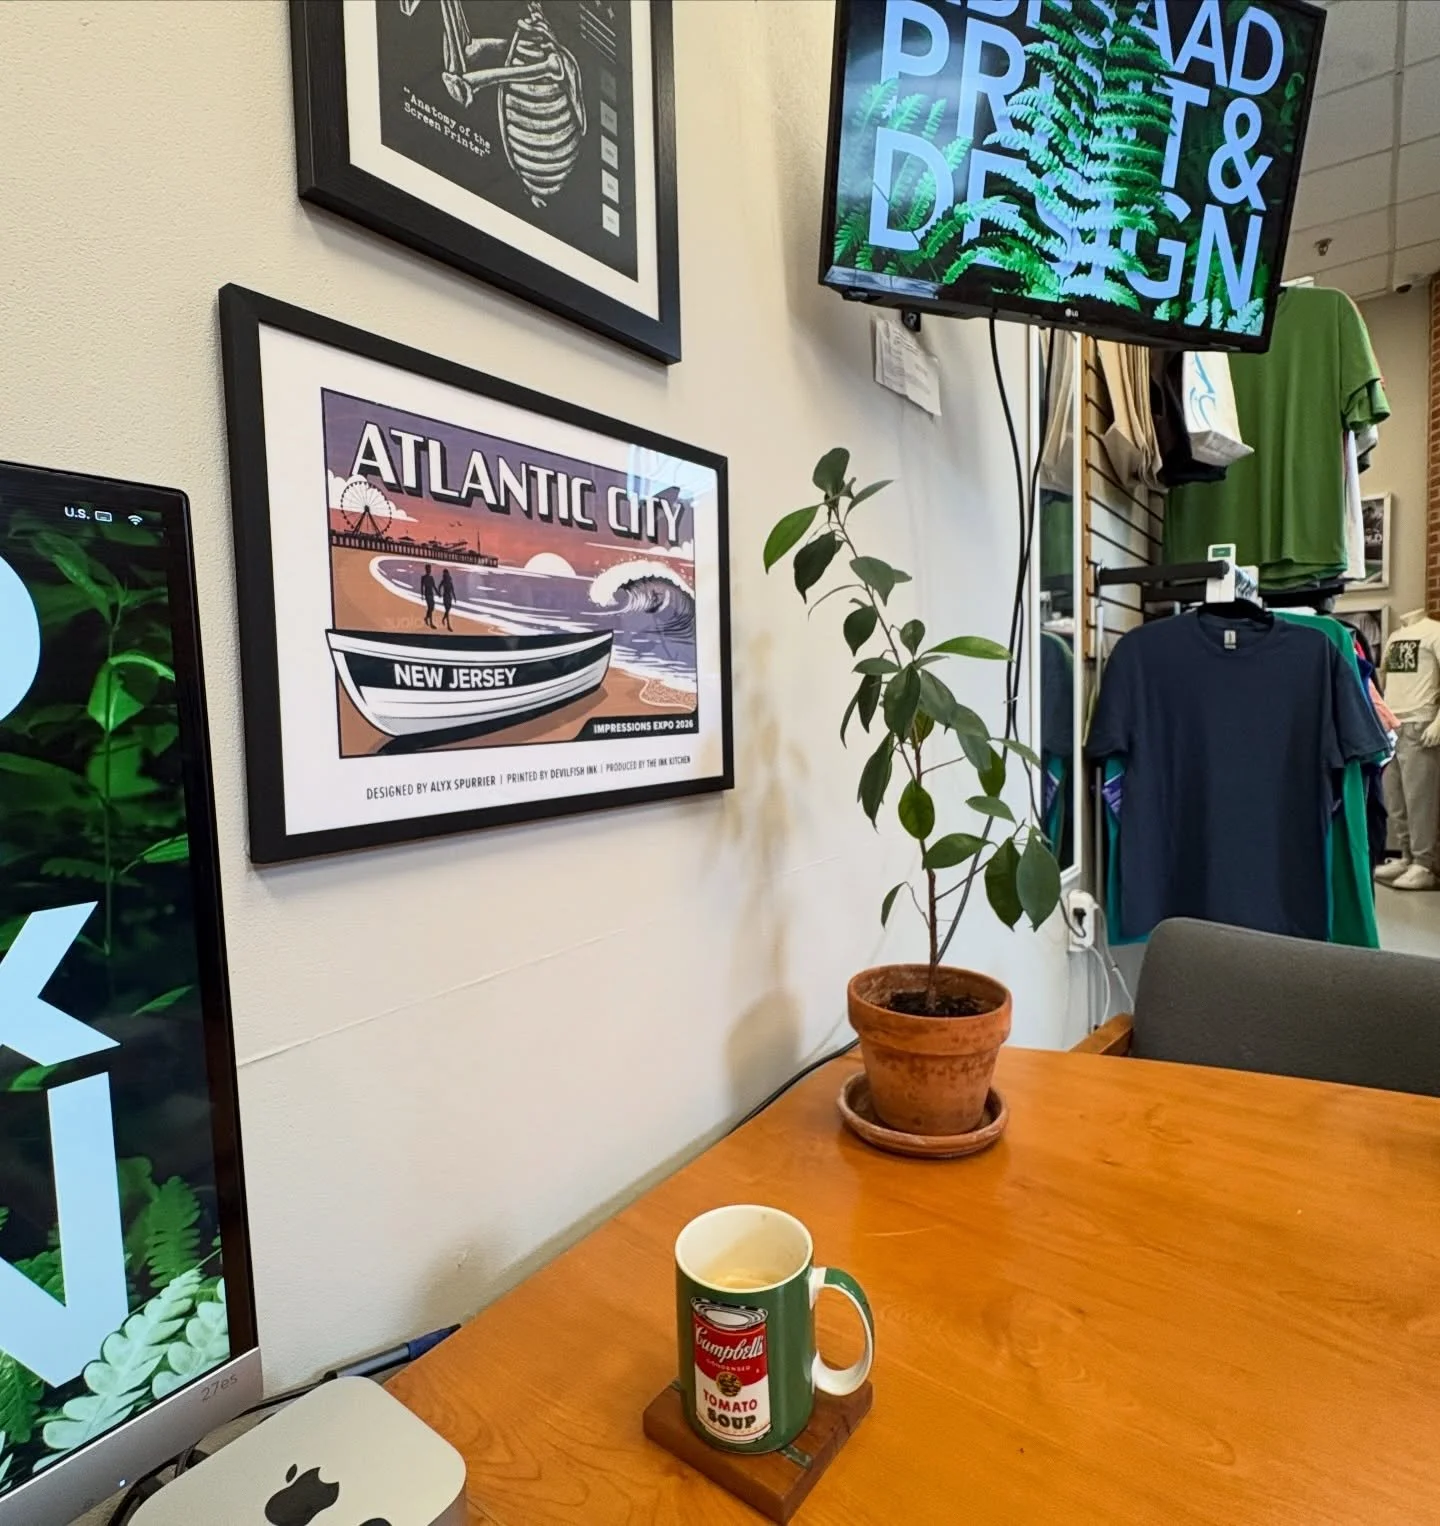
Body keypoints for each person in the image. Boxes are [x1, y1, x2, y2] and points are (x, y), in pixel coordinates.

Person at [420, 564, 437, 628]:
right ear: (426, 569)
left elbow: (434, 586)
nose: (429, 570)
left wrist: (438, 593)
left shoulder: (431, 577)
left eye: (430, 569)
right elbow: (422, 587)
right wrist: (422, 595)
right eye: (428, 569)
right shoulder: (423, 577)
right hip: (427, 594)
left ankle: (426, 618)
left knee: (432, 608)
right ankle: (431, 623)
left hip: (431, 594)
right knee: (430, 607)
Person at [439, 567, 456, 631]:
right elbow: (439, 587)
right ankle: (448, 625)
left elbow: (452, 590)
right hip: (445, 596)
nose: (445, 574)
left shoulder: (450, 580)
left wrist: (454, 597)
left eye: (446, 573)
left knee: (448, 609)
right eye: (445, 574)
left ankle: (443, 618)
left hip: (449, 596)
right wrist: (439, 593)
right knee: (447, 610)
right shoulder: (443, 581)